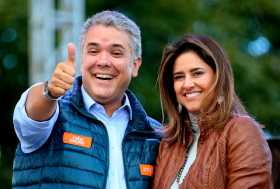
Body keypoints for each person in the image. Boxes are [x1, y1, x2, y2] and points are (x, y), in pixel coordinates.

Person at [12, 10, 161, 189]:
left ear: (135, 65)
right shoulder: (53, 113)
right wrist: (49, 92)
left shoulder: (155, 135)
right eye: (93, 51)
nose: (103, 61)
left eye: (116, 53)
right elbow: (30, 117)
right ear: (82, 59)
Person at [152, 34, 273, 189]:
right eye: (179, 77)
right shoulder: (167, 145)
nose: (187, 84)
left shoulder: (241, 131)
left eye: (197, 73)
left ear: (218, 77)